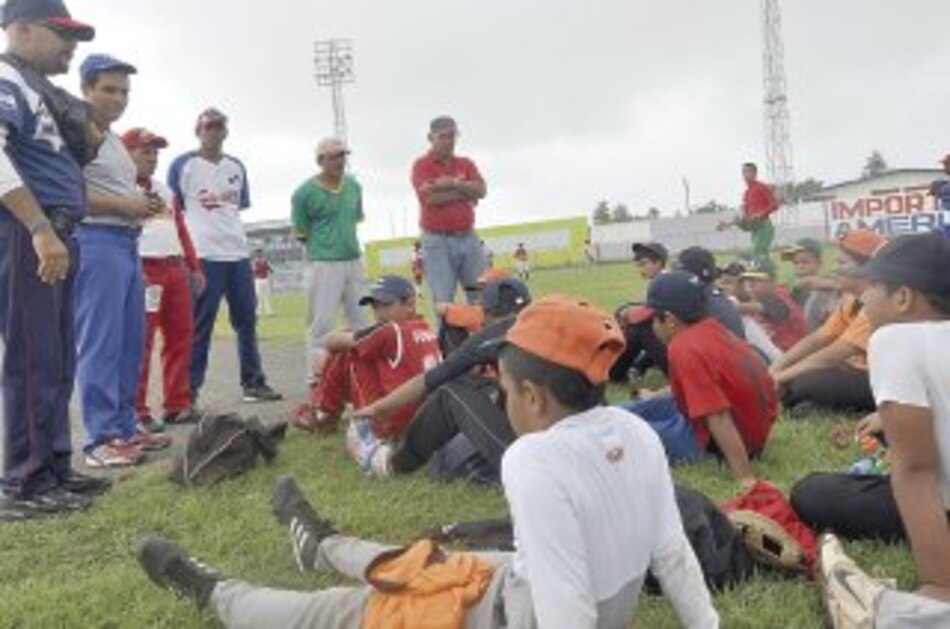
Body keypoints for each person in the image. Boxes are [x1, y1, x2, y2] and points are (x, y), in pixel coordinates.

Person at [137, 296, 719, 628]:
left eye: (506, 389)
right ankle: (324, 545)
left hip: (513, 614)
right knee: (424, 558)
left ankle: (217, 592)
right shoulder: (629, 429)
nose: (502, 399)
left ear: (534, 398)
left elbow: (566, 614)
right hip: (525, 588)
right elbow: (672, 555)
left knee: (333, 614)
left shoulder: (534, 459)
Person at [794, 234, 950, 627]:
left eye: (872, 289)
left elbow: (916, 469)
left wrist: (940, 584)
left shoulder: (895, 338)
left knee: (812, 491)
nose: (863, 300)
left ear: (902, 298)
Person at [0, 0, 111, 519]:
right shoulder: (6, 74)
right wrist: (40, 226)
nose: (71, 44)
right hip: (28, 232)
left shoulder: (37, 85)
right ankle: (23, 481)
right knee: (32, 358)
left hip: (56, 232)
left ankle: (53, 467)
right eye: (59, 32)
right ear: (19, 28)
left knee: (59, 357)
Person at [75, 54, 170, 468]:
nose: (118, 98)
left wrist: (139, 204)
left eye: (124, 91)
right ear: (86, 89)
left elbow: (116, 194)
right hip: (95, 239)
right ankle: (101, 439)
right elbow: (64, 193)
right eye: (108, 89)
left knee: (130, 340)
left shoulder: (112, 139)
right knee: (101, 342)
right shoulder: (74, 132)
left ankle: (125, 424)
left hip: (126, 242)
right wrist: (125, 203)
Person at [351, 278, 532, 479]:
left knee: (449, 409)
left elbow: (428, 380)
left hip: (535, 452)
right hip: (565, 434)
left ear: (487, 312)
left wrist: (378, 407)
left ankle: (388, 464)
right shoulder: (550, 320)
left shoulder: (491, 336)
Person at [620, 272, 778, 484]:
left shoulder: (684, 348)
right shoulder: (710, 328)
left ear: (670, 320)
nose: (651, 327)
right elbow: (700, 387)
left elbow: (718, 417)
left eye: (652, 320)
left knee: (622, 433)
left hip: (717, 441)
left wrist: (745, 476)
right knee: (620, 414)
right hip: (740, 426)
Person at [168, 108, 281, 404]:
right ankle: (188, 391)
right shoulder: (183, 164)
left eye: (219, 127)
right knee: (199, 324)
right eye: (209, 127)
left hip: (237, 253)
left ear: (226, 131)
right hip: (203, 255)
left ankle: (253, 383)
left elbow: (236, 206)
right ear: (198, 131)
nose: (214, 132)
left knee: (246, 321)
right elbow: (173, 209)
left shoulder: (236, 166)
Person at [291, 275, 440, 444]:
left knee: (348, 353)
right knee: (358, 347)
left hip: (392, 425)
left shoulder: (391, 331)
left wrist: (325, 359)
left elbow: (331, 341)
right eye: (375, 306)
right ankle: (326, 412)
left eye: (386, 305)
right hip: (426, 421)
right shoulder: (426, 329)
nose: (379, 313)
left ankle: (325, 415)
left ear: (410, 304)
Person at [124, 128, 204, 432]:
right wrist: (134, 268)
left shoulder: (165, 189)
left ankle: (176, 405)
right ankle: (137, 409)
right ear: (127, 153)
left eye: (156, 152)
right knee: (140, 341)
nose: (153, 157)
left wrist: (194, 267)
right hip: (145, 268)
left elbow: (181, 229)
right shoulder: (120, 187)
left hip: (174, 268)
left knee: (181, 337)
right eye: (145, 151)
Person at [770, 229, 886, 415]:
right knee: (799, 384)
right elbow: (817, 338)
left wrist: (780, 377)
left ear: (866, 269)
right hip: (859, 371)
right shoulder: (851, 298)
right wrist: (775, 369)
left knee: (804, 382)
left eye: (841, 262)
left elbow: (832, 354)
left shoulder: (877, 303)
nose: (833, 269)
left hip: (884, 381)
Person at [291, 138, 365, 377]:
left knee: (360, 322)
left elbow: (354, 219)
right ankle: (317, 378)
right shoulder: (303, 193)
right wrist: (326, 248)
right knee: (322, 325)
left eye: (342, 155)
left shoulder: (354, 185)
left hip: (354, 259)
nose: (340, 161)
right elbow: (301, 233)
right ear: (320, 160)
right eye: (333, 157)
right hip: (324, 263)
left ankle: (361, 375)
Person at [411, 116, 487, 309]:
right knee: (443, 300)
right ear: (431, 138)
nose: (448, 141)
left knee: (481, 295)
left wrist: (452, 184)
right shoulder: (422, 165)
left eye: (452, 136)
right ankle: (447, 340)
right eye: (443, 136)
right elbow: (430, 200)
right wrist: (466, 192)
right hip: (437, 241)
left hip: (468, 236)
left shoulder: (466, 163)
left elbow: (482, 191)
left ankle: (483, 339)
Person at [737, 258, 807, 351]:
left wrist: (733, 307)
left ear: (773, 280)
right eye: (747, 279)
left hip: (795, 357)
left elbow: (777, 309)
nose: (750, 283)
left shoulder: (781, 296)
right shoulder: (755, 299)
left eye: (757, 279)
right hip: (777, 358)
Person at [717, 162, 779, 262]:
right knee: (761, 257)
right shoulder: (746, 193)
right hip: (754, 230)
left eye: (749, 171)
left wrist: (760, 214)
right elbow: (745, 217)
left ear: (755, 173)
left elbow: (774, 205)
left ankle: (764, 273)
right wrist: (727, 224)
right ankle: (769, 275)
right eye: (744, 172)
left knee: (755, 253)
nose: (746, 174)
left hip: (764, 227)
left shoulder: (762, 187)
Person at [780, 237, 838, 331]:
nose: (800, 266)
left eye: (805, 262)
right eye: (796, 263)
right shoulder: (792, 286)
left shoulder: (824, 289)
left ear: (819, 264)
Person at [251, 248, 273, 317]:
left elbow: (271, 270)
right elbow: (253, 271)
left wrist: (268, 268)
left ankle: (269, 312)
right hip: (258, 280)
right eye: (257, 253)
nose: (259, 254)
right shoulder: (254, 262)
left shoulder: (265, 261)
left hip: (265, 279)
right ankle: (257, 312)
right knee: (258, 297)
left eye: (260, 253)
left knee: (267, 296)